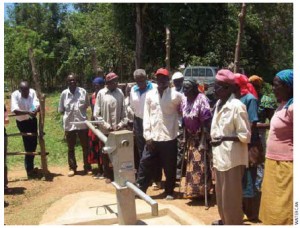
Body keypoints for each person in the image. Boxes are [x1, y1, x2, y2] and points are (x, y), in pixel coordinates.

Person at [210, 69, 251, 225]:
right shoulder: (219, 104)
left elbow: (245, 136)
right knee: (221, 195)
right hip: (220, 156)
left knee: (231, 198)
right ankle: (225, 220)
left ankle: (233, 223)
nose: (214, 89)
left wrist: (224, 138)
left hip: (232, 158)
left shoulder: (237, 106)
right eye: (215, 85)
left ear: (227, 88)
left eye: (218, 86)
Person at [136, 68, 183, 200]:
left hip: (169, 138)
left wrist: (179, 125)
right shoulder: (150, 95)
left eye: (164, 79)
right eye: (159, 79)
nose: (161, 81)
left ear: (168, 80)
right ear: (156, 80)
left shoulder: (176, 95)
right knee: (145, 163)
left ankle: (169, 191)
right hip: (153, 138)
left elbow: (184, 109)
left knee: (169, 166)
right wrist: (148, 136)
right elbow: (146, 116)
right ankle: (140, 190)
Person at [259, 69, 293, 225]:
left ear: (288, 86)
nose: (273, 88)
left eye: (276, 85)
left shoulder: (293, 108)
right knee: (273, 208)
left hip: (286, 165)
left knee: (285, 209)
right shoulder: (283, 105)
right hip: (274, 162)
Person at [180, 78, 212, 199]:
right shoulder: (184, 100)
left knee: (200, 164)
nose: (184, 90)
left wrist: (203, 140)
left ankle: (202, 191)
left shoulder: (202, 99)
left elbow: (205, 121)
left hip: (201, 136)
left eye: (187, 88)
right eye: (184, 88)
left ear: (194, 89)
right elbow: (184, 119)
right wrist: (184, 137)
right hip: (190, 136)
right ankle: (193, 191)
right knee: (191, 163)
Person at [234, 73, 260, 222]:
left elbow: (252, 123)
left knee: (249, 178)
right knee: (240, 178)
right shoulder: (234, 99)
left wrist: (240, 138)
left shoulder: (249, 99)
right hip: (237, 145)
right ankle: (240, 209)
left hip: (248, 145)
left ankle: (251, 213)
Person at [93, 72, 127, 183]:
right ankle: (108, 174)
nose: (116, 83)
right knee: (106, 152)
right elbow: (96, 114)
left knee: (119, 153)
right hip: (105, 130)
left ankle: (118, 174)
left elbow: (124, 112)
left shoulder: (120, 93)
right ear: (108, 83)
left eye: (116, 80)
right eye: (113, 81)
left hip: (118, 130)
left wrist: (120, 124)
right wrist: (107, 126)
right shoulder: (101, 94)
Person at [58, 74, 92, 177]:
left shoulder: (83, 92)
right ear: (67, 82)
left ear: (77, 81)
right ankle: (72, 168)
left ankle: (87, 167)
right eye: (70, 80)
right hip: (69, 125)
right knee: (71, 147)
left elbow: (86, 105)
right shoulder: (64, 94)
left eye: (73, 80)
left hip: (82, 124)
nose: (72, 82)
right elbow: (61, 110)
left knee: (85, 147)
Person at [11, 81, 40, 178]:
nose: (26, 93)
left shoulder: (32, 92)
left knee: (34, 143)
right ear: (20, 90)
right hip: (22, 122)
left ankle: (31, 167)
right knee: (28, 144)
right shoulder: (15, 95)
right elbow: (15, 110)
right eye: (24, 91)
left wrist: (35, 110)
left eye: (27, 90)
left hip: (32, 120)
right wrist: (28, 112)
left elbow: (36, 104)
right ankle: (29, 170)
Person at [129, 69, 157, 172]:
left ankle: (155, 176)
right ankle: (145, 175)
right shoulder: (133, 90)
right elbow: (132, 106)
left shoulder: (154, 88)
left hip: (152, 121)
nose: (140, 83)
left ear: (146, 78)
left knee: (152, 147)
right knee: (141, 148)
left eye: (142, 80)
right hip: (138, 121)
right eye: (137, 81)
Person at [88, 77, 105, 179]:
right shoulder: (92, 96)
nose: (96, 88)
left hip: (103, 124)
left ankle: (106, 170)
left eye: (98, 86)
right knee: (96, 147)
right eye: (94, 86)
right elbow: (93, 110)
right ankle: (99, 169)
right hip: (95, 124)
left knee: (103, 146)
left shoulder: (105, 95)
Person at [171, 72, 186, 180]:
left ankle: (178, 171)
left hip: (182, 123)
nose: (178, 83)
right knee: (172, 148)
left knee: (181, 148)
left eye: (180, 80)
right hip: (172, 124)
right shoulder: (170, 93)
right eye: (176, 81)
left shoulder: (186, 92)